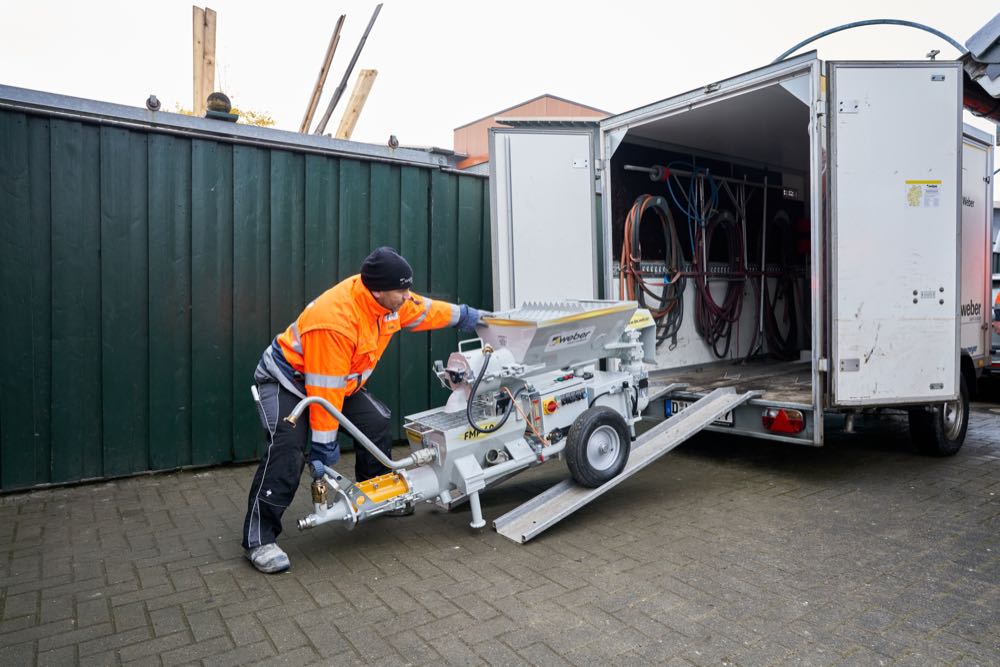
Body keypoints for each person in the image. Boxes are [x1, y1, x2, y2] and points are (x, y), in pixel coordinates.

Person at [242, 247, 486, 573]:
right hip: (286, 383)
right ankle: (260, 539)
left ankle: (378, 496)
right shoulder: (335, 321)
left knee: (376, 420)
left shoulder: (390, 301)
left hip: (336, 383)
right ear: (379, 290)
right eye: (401, 290)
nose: (406, 296)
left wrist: (467, 316)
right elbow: (324, 393)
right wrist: (323, 448)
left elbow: (425, 310)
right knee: (288, 447)